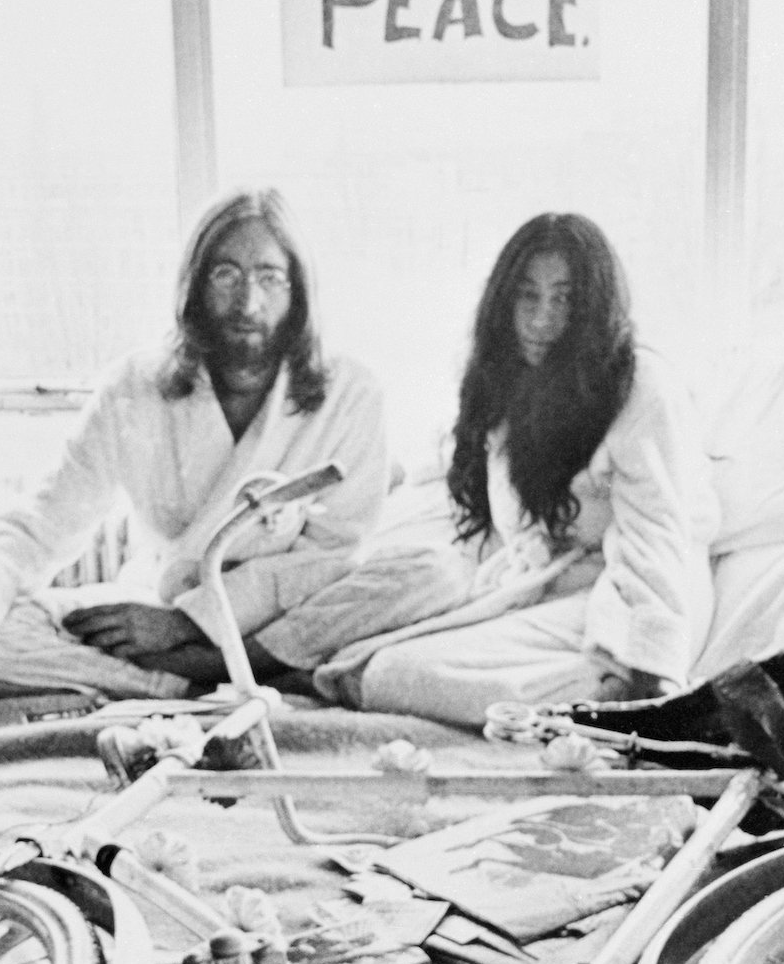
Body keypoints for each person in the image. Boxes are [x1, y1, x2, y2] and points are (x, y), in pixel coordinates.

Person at [0, 188, 386, 699]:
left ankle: (205, 670)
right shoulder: (135, 386)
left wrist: (188, 624)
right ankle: (179, 682)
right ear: (194, 285)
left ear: (298, 290)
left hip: (278, 624)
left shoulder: (350, 392)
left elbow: (335, 555)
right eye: (226, 274)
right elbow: (45, 519)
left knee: (397, 589)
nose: (248, 303)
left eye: (269, 277)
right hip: (152, 612)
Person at [287, 212, 716, 727]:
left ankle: (629, 706)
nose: (541, 320)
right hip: (555, 583)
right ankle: (597, 695)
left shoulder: (642, 386)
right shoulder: (510, 383)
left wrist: (655, 675)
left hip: (638, 594)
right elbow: (463, 466)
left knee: (390, 675)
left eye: (564, 299)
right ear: (503, 301)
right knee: (370, 663)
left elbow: (657, 536)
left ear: (594, 309)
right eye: (527, 296)